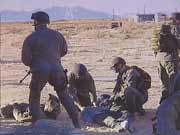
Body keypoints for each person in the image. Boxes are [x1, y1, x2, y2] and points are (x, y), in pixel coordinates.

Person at [21, 11, 80, 128]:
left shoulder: (30, 38)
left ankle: (36, 122)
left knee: (34, 95)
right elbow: (63, 52)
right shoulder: (58, 35)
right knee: (64, 95)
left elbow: (25, 60)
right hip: (57, 70)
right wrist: (53, 59)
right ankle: (76, 121)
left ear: (36, 22)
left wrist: (35, 64)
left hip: (39, 71)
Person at [110, 57, 150, 125]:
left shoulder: (132, 72)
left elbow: (130, 89)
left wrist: (117, 96)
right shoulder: (121, 74)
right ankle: (138, 109)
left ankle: (131, 112)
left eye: (117, 68)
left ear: (121, 65)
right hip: (129, 96)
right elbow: (116, 90)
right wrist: (112, 98)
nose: (116, 71)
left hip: (140, 96)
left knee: (128, 90)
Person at [151, 22, 180, 103]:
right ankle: (172, 102)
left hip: (159, 57)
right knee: (173, 80)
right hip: (169, 58)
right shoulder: (170, 37)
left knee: (164, 81)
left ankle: (163, 101)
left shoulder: (158, 38)